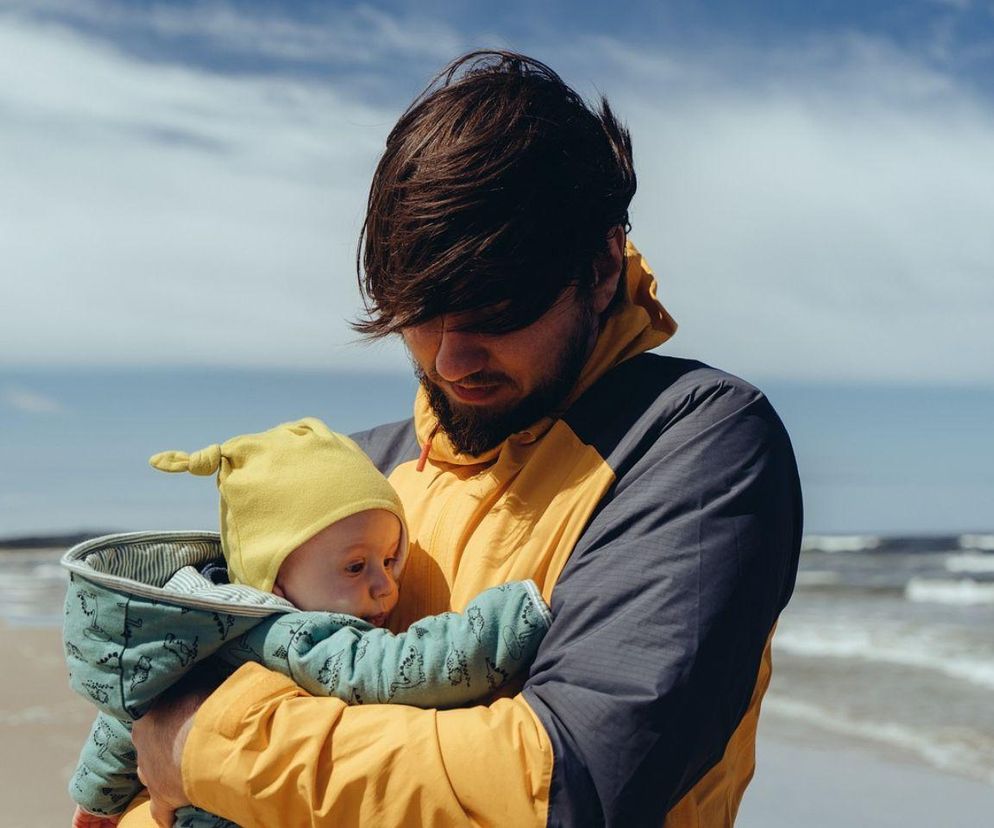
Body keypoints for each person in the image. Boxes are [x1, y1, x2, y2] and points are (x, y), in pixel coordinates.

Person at [124, 50, 803, 827]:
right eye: (417, 314)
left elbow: (569, 783)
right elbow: (173, 715)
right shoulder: (360, 475)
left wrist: (211, 749)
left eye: (496, 310)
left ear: (604, 265)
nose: (450, 361)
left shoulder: (693, 441)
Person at [64, 418, 549, 827]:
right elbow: (401, 669)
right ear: (274, 580)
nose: (386, 587)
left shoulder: (192, 625)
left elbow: (120, 723)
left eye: (390, 558)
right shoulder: (294, 635)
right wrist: (510, 619)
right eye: (356, 567)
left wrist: (96, 803)